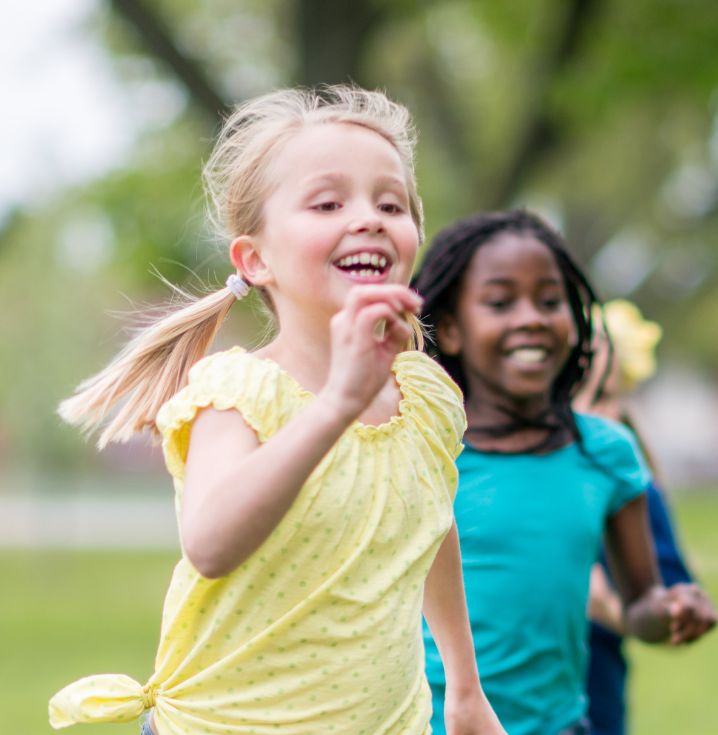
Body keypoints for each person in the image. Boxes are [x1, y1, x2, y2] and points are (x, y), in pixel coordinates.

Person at [48, 87, 506, 735]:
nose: (369, 217)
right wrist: (338, 405)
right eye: (328, 202)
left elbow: (426, 522)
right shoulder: (238, 392)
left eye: (391, 202)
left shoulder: (423, 393)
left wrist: (463, 688)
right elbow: (210, 544)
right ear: (256, 259)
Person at [412, 210, 717, 735]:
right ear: (454, 329)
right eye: (500, 302)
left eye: (550, 301)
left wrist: (668, 609)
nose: (531, 317)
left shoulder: (605, 453)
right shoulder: (418, 448)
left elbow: (638, 601)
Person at [573, 301, 716, 735]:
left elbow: (668, 601)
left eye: (605, 397)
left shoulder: (633, 486)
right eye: (571, 392)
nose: (587, 413)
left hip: (593, 704)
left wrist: (610, 608)